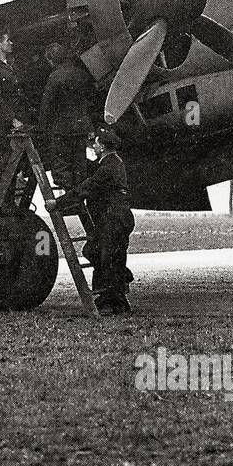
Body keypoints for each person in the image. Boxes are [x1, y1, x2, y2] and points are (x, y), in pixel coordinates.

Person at [56, 127, 134, 313]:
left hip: (114, 217)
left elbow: (88, 186)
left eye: (96, 143)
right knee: (99, 252)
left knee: (108, 258)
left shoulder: (108, 167)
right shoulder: (112, 162)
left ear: (104, 146)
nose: (94, 146)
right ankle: (114, 294)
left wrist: (58, 203)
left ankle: (113, 301)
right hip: (117, 217)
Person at [0, 29, 31, 209]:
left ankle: (7, 202)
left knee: (8, 164)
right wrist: (12, 120)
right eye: (8, 41)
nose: (11, 43)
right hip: (2, 124)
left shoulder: (5, 66)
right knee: (0, 164)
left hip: (9, 122)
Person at [37, 43, 94, 190]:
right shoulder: (81, 74)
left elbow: (46, 106)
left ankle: (69, 196)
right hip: (82, 126)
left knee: (62, 165)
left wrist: (42, 127)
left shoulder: (54, 77)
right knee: (79, 163)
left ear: (52, 59)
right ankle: (80, 193)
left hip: (63, 128)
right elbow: (91, 98)